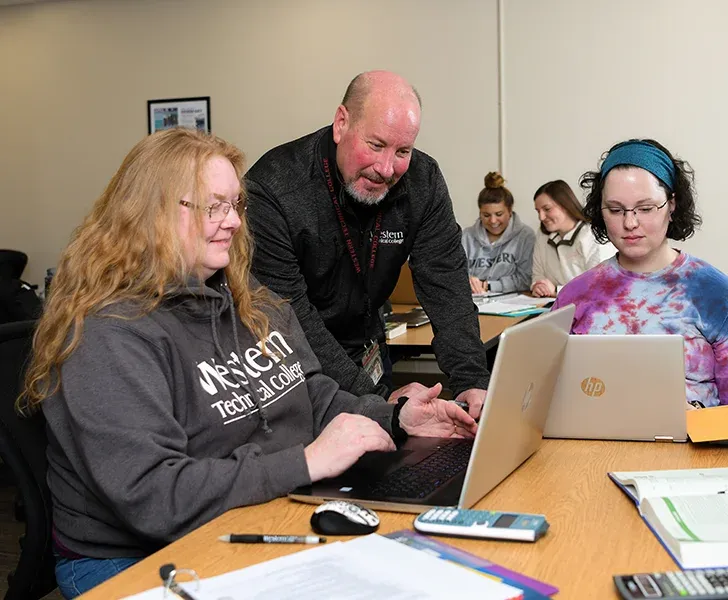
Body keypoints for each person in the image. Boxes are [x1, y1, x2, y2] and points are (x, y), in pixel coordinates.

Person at [18, 129, 477, 598]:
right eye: (213, 206)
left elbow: (310, 394)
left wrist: (396, 418)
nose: (234, 221)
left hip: (253, 512)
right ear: (151, 212)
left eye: (235, 204)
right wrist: (306, 462)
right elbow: (153, 495)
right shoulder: (107, 332)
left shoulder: (247, 299)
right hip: (132, 558)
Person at [245, 71, 488, 416]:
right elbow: (290, 317)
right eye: (375, 145)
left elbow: (446, 283)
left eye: (403, 151)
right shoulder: (273, 189)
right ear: (341, 123)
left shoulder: (424, 181)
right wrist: (375, 402)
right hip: (296, 367)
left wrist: (471, 380)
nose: (386, 169)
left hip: (369, 350)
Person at [554, 139, 728, 407]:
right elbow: (546, 394)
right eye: (616, 210)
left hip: (695, 433)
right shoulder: (575, 296)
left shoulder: (715, 295)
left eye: (645, 209)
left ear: (672, 204)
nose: (630, 223)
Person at [530, 180, 612, 298]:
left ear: (565, 206)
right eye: (538, 211)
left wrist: (557, 290)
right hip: (551, 304)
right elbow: (538, 275)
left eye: (547, 209)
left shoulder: (592, 234)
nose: (541, 217)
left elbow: (599, 285)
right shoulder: (542, 235)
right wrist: (538, 286)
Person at [461, 172, 535, 294]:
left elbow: (526, 279)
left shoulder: (526, 236)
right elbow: (454, 273)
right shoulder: (466, 236)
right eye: (486, 215)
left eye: (499, 214)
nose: (493, 221)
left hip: (511, 301)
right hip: (473, 298)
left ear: (510, 211)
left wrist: (489, 286)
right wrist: (467, 282)